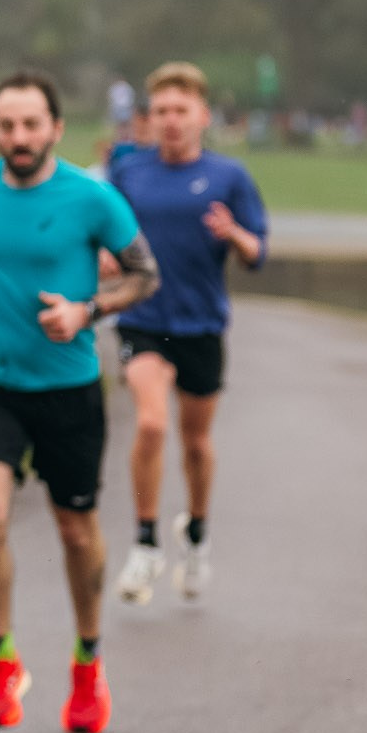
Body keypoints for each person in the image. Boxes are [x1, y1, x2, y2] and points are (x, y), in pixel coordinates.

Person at [0, 71, 161, 733]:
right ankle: (1, 659)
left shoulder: (94, 199)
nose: (18, 137)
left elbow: (147, 275)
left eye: (31, 125)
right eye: (7, 125)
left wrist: (86, 311)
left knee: (73, 529)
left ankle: (88, 661)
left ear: (56, 128)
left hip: (66, 387)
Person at [108, 62, 267, 605]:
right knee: (151, 424)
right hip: (144, 321)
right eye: (161, 112)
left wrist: (234, 234)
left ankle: (195, 533)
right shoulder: (129, 173)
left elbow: (257, 254)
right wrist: (107, 262)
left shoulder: (229, 177)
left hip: (200, 323)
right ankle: (146, 542)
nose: (171, 121)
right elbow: (105, 236)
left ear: (202, 116)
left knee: (195, 442)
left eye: (181, 111)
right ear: (148, 119)